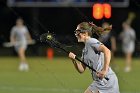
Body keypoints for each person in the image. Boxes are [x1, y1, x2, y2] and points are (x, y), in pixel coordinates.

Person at [69, 22, 120, 93]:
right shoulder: (85, 50)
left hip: (107, 80)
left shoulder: (91, 41)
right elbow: (81, 70)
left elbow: (107, 51)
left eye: (78, 31)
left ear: (85, 33)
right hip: (99, 81)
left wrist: (104, 70)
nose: (76, 34)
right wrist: (73, 60)